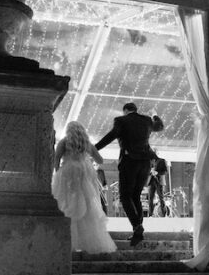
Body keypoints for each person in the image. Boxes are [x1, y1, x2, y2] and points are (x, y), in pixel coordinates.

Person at [95, 102, 164, 246]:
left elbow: (111, 136)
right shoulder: (146, 120)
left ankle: (137, 226)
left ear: (125, 110)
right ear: (135, 110)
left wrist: (94, 149)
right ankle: (137, 231)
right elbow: (160, 126)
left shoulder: (121, 120)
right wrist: (154, 115)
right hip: (144, 164)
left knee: (125, 197)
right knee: (136, 196)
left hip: (129, 162)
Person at [52, 121, 116, 254]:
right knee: (87, 204)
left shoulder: (64, 142)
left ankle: (66, 239)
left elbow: (56, 159)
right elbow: (100, 160)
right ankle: (87, 240)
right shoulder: (87, 144)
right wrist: (87, 160)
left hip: (68, 173)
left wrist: (57, 174)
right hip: (84, 173)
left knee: (67, 202)